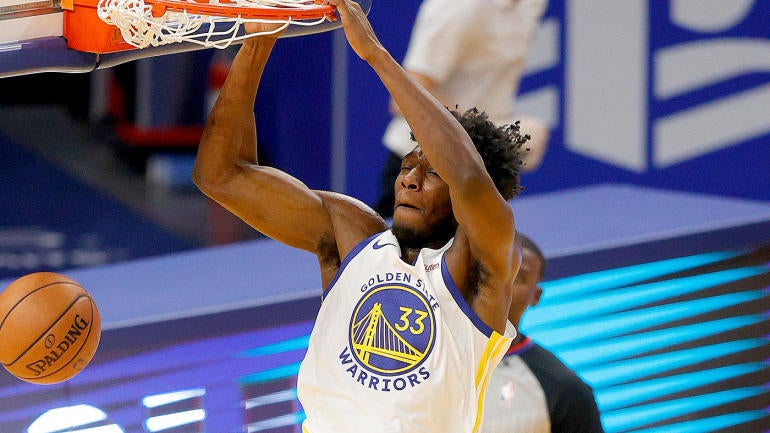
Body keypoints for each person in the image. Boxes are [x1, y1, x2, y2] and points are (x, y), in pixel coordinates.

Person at [191, 1, 527, 432]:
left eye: (431, 174)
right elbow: (220, 175)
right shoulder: (352, 233)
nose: (409, 181)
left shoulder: (480, 265)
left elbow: (467, 176)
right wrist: (259, 40)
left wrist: (374, 54)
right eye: (408, 166)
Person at [375, 0, 549, 217]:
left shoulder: (532, 4)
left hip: (475, 168)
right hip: (424, 167)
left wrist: (501, 146)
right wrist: (494, 133)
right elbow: (404, 97)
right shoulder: (458, 6)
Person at [482, 233, 604, 433]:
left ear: (535, 296)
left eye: (518, 277)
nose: (500, 283)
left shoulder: (565, 389)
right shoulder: (428, 356)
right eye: (490, 269)